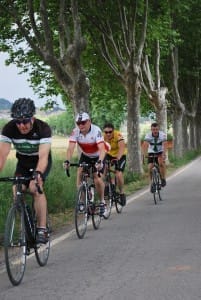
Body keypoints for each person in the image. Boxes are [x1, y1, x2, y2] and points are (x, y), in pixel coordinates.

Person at [0, 98, 52, 243]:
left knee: (35, 188)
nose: (21, 125)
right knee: (16, 190)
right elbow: (2, 155)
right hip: (23, 163)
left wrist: (38, 174)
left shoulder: (43, 128)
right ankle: (26, 222)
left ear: (32, 118)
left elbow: (43, 157)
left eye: (25, 121)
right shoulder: (9, 128)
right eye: (18, 122)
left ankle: (42, 228)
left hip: (40, 163)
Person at [64, 112, 107, 216]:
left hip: (98, 155)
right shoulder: (75, 132)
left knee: (97, 178)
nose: (81, 125)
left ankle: (102, 202)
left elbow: (102, 149)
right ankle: (82, 201)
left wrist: (100, 161)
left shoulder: (96, 130)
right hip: (86, 156)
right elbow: (70, 148)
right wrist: (67, 160)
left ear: (89, 122)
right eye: (78, 123)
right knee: (79, 172)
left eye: (83, 122)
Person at [103, 122, 127, 206]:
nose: (108, 134)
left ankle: (121, 193)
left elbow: (122, 147)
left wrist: (118, 158)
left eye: (110, 132)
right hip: (109, 154)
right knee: (104, 169)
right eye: (106, 132)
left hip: (120, 155)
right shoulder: (103, 137)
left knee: (118, 174)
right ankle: (108, 184)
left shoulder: (118, 135)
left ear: (113, 131)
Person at [143, 122, 167, 192]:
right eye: (153, 130)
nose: (155, 131)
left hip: (160, 151)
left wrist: (164, 154)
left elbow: (165, 144)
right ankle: (151, 184)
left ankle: (163, 178)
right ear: (151, 130)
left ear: (158, 129)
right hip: (151, 151)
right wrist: (145, 154)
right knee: (150, 167)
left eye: (156, 129)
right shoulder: (148, 135)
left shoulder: (162, 135)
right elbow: (145, 145)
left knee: (161, 163)